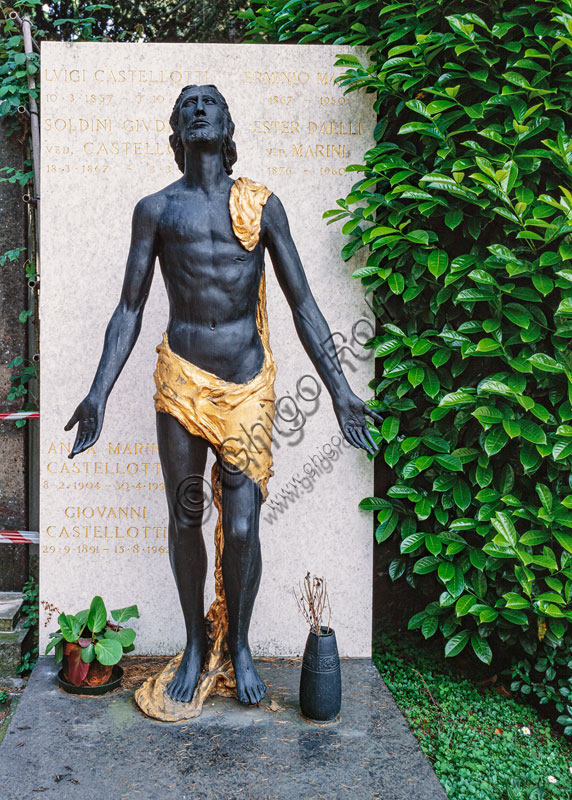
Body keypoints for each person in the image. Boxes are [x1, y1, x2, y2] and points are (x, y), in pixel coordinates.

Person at [65, 84, 381, 712]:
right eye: (188, 104)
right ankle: (191, 643)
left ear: (229, 124)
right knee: (186, 517)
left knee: (240, 527)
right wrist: (98, 391)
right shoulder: (155, 210)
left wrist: (342, 392)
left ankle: (236, 644)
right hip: (181, 380)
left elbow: (303, 304)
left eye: (211, 101)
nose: (200, 107)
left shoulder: (262, 206)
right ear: (176, 132)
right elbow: (129, 308)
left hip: (246, 385)